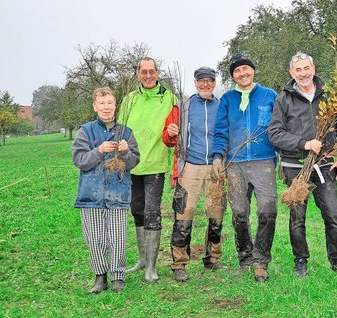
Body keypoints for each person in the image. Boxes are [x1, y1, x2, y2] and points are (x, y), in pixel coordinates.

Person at [268, 52, 337, 277]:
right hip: (295, 167)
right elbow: (274, 134)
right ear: (291, 73)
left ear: (313, 69)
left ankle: (336, 260)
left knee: (332, 215)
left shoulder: (329, 96)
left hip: (324, 165)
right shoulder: (283, 99)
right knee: (298, 218)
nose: (303, 73)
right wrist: (304, 144)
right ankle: (301, 261)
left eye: (306, 68)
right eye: (298, 70)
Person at [211, 54, 278, 282]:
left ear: (253, 70)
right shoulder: (227, 99)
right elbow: (220, 131)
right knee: (240, 212)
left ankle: (261, 260)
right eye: (237, 71)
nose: (242, 73)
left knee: (267, 210)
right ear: (233, 76)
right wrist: (218, 157)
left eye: (246, 69)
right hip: (235, 164)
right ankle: (245, 256)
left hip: (264, 160)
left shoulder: (269, 95)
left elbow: (279, 128)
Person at [162, 66, 227, 282]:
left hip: (216, 168)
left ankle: (213, 258)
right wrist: (171, 134)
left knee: (216, 213)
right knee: (184, 213)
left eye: (209, 81)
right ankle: (179, 263)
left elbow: (226, 135)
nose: (205, 84)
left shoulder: (221, 106)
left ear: (214, 83)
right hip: (190, 166)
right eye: (201, 81)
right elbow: (169, 138)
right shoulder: (184, 106)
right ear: (195, 82)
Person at [72, 87, 140, 294]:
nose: (106, 107)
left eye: (110, 103)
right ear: (95, 106)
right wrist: (98, 150)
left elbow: (134, 161)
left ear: (115, 106)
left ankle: (118, 276)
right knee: (95, 238)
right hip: (91, 196)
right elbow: (80, 161)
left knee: (118, 237)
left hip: (118, 194)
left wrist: (126, 151)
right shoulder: (86, 131)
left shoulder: (126, 133)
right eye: (102, 103)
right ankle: (100, 277)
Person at [120, 57, 176, 283]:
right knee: (137, 210)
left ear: (158, 72)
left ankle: (151, 267)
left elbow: (175, 132)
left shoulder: (170, 98)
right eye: (143, 72)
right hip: (131, 165)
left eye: (152, 71)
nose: (148, 75)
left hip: (155, 164)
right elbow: (121, 129)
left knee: (152, 211)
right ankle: (142, 259)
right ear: (137, 74)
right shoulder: (130, 99)